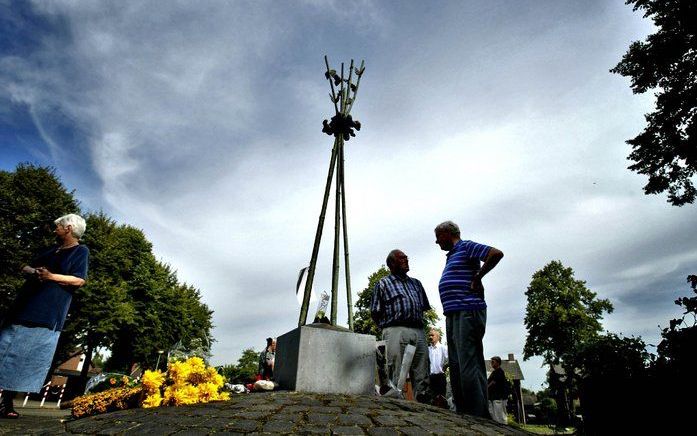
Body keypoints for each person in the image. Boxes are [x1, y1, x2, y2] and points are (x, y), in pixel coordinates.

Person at [0, 214, 89, 419]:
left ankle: (6, 402)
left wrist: (51, 277)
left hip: (47, 313)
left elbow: (78, 280)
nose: (54, 229)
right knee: (4, 349)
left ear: (68, 228)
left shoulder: (80, 251)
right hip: (23, 307)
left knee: (25, 357)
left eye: (57, 225)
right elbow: (25, 267)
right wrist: (35, 271)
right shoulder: (50, 250)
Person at [434, 220, 504, 417]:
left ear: (448, 234)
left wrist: (478, 277)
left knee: (468, 362)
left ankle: (477, 413)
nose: (436, 241)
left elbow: (495, 253)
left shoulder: (466, 246)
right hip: (454, 313)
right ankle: (464, 411)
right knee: (456, 363)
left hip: (468, 310)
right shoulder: (452, 256)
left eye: (438, 236)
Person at [370, 249, 431, 403]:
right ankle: (395, 403)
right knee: (394, 369)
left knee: (422, 368)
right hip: (395, 329)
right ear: (391, 263)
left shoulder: (416, 283)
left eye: (406, 257)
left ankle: (423, 402)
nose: (406, 260)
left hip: (418, 330)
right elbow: (375, 311)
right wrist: (387, 330)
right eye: (401, 258)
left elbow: (423, 307)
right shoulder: (383, 283)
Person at [428, 328, 448, 404]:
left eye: (432, 335)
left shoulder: (443, 348)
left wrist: (446, 365)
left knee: (441, 399)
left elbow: (451, 358)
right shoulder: (428, 349)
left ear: (437, 337)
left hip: (440, 377)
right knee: (432, 399)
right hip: (431, 377)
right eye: (429, 335)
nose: (430, 337)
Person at [487, 356, 509, 424]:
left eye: (493, 361)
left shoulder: (500, 371)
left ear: (498, 363)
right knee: (494, 413)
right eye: (491, 361)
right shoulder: (493, 372)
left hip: (499, 397)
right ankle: (497, 426)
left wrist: (486, 388)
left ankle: (503, 426)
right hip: (493, 396)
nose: (491, 362)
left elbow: (493, 382)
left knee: (500, 412)